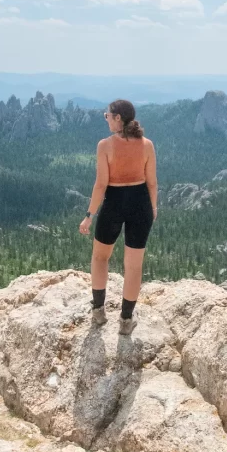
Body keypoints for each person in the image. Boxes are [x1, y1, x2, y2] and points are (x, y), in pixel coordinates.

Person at [79, 100, 157, 334]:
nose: (106, 118)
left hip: (114, 203)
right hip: (140, 204)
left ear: (118, 119)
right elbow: (152, 182)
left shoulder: (105, 146)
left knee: (100, 258)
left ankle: (98, 311)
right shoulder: (147, 145)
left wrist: (89, 215)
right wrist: (153, 209)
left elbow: (101, 184)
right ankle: (125, 321)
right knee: (133, 266)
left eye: (107, 115)